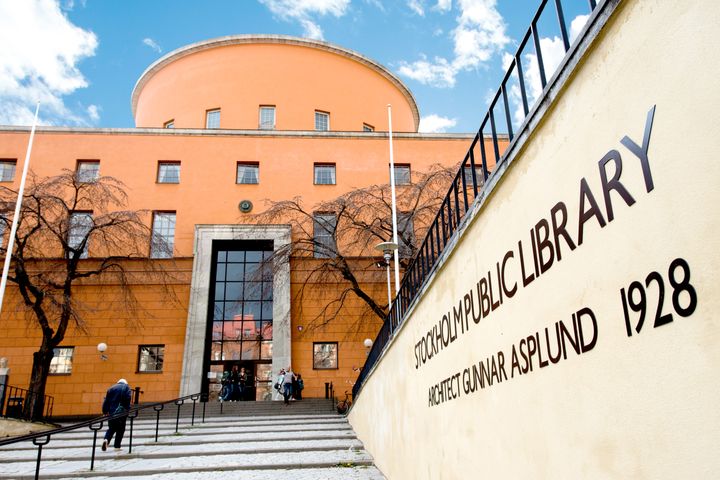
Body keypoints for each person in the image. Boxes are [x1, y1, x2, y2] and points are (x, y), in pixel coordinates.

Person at [101, 379, 131, 451]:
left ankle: (106, 440)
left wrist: (105, 411)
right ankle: (117, 446)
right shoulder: (126, 387)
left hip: (111, 412)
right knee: (121, 429)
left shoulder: (111, 388)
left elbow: (106, 401)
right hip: (121, 412)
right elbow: (128, 398)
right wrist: (128, 409)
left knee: (111, 428)